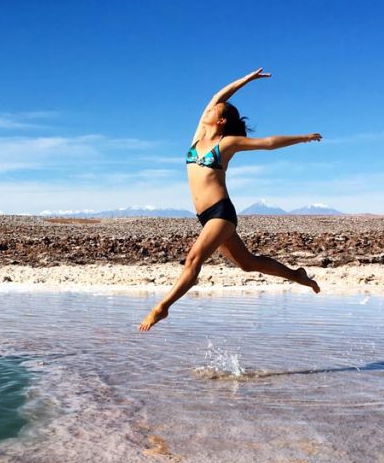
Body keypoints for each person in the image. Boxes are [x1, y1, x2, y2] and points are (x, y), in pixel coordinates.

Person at [138, 68, 322, 332]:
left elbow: (268, 142)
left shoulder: (226, 144)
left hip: (221, 213)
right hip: (205, 217)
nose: (209, 110)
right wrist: (246, 80)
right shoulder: (198, 138)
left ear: (221, 121)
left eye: (215, 110)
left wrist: (303, 137)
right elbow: (217, 95)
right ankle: (297, 275)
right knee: (247, 264)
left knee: (193, 260)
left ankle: (162, 307)